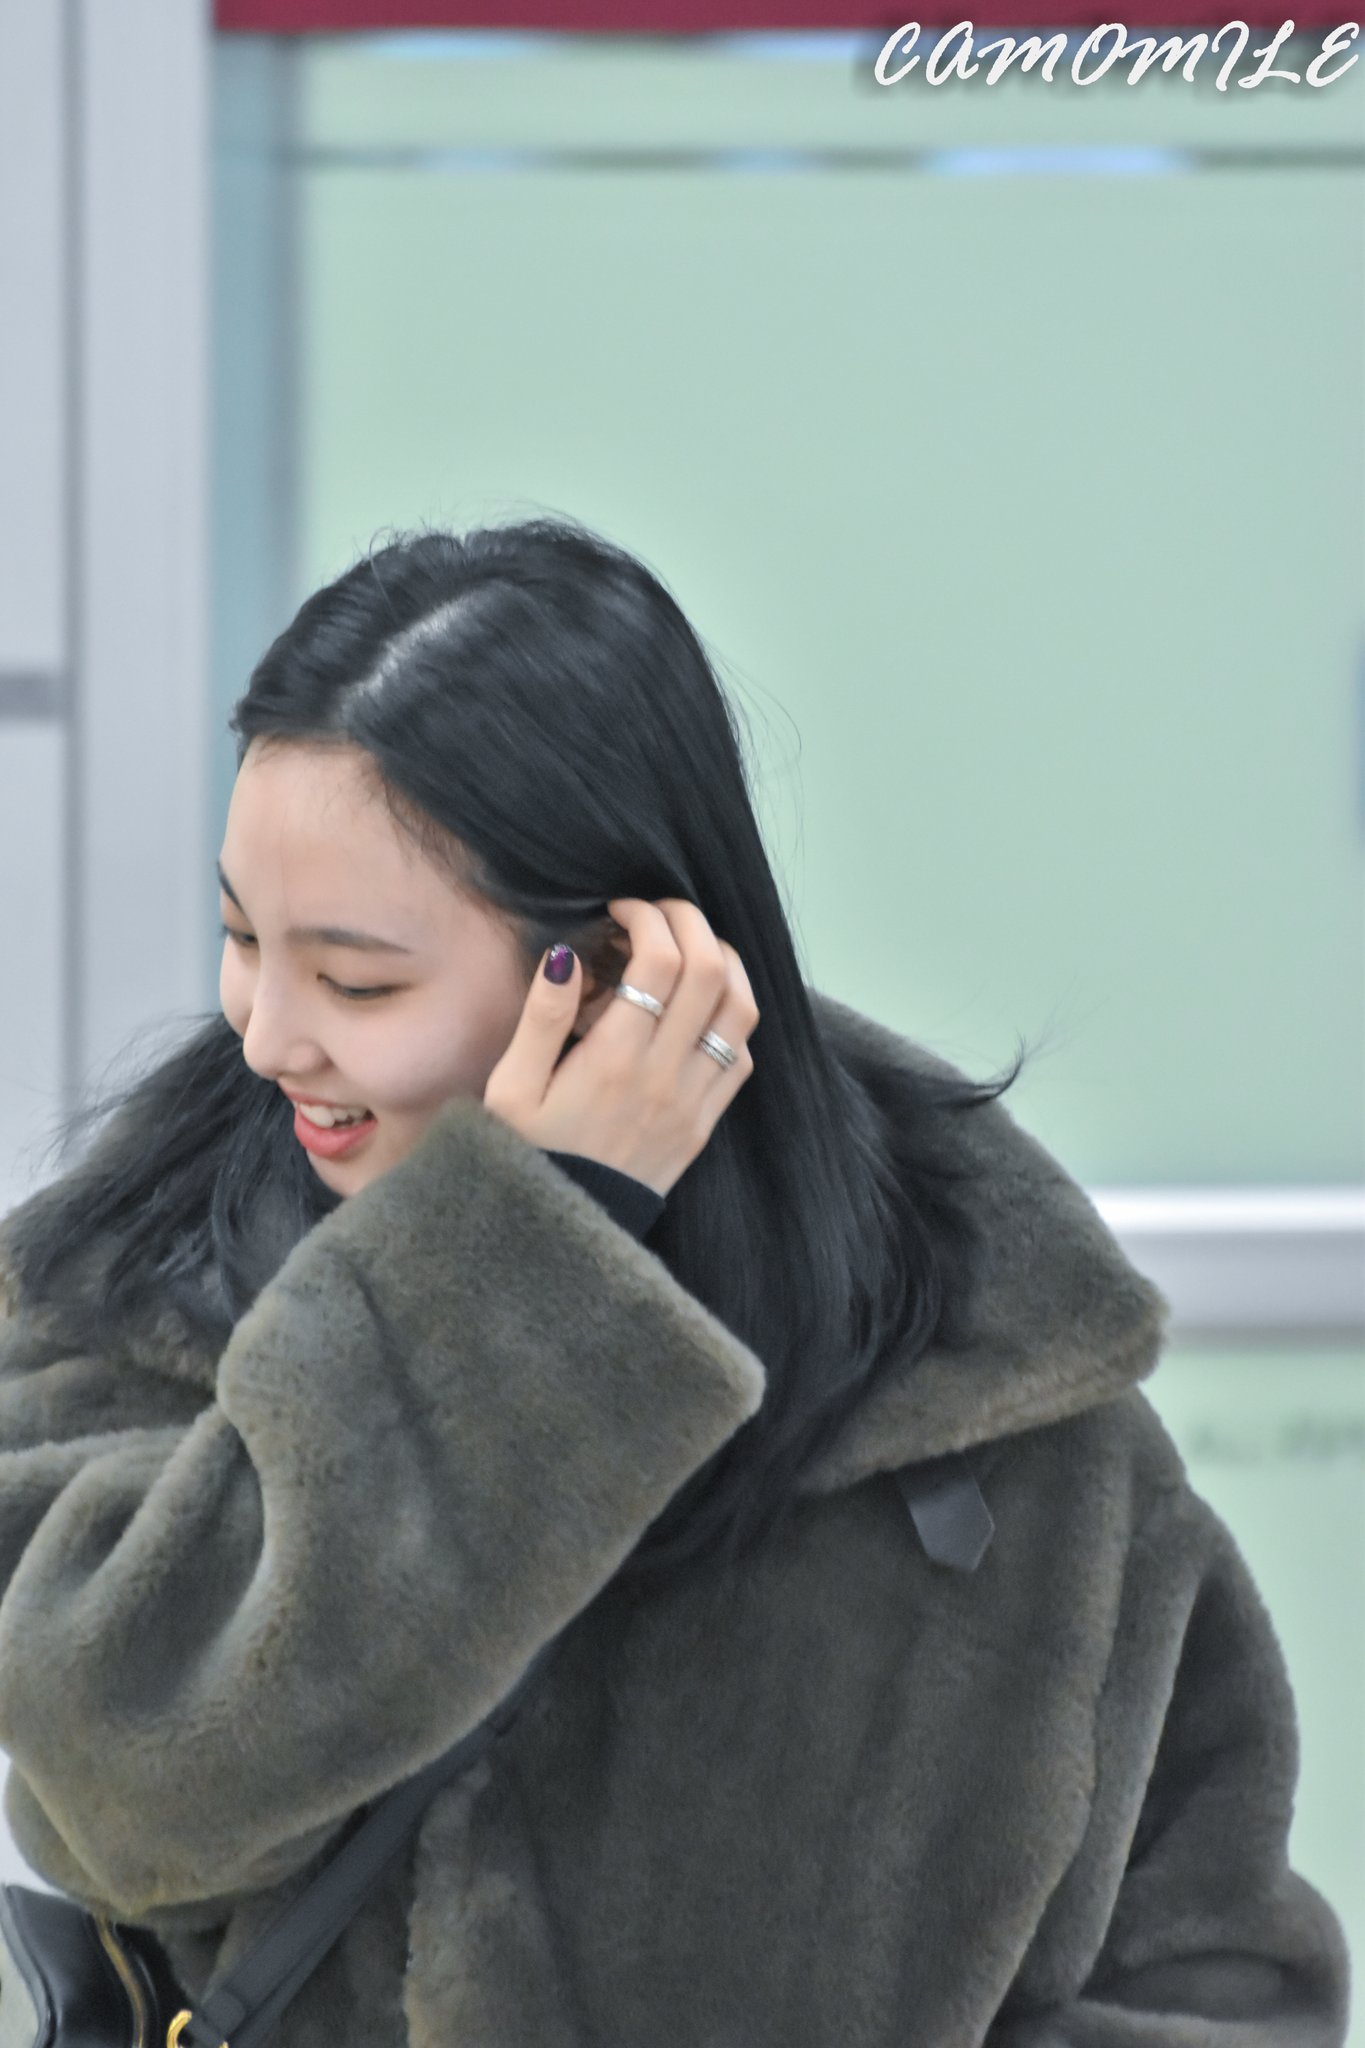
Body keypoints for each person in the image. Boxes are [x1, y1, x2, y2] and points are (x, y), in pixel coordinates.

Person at [0, 515, 1350, 2048]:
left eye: (358, 979)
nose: (266, 1035)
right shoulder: (139, 1296)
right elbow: (137, 1791)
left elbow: (1218, 1981)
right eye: (242, 938)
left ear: (614, 967)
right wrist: (530, 1258)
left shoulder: (980, 1384)